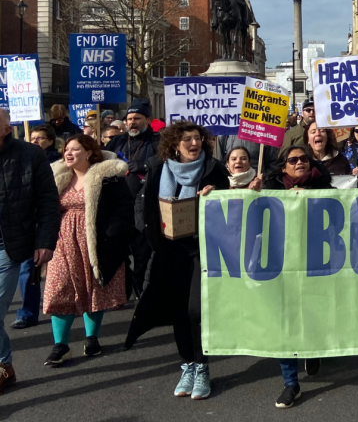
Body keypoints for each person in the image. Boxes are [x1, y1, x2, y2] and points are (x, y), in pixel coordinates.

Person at [124, 121, 230, 400]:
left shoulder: (214, 169)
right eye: (187, 140)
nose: (194, 144)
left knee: (196, 309)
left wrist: (213, 198)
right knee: (178, 311)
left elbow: (231, 206)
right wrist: (150, 231)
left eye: (197, 139)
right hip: (169, 251)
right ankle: (189, 365)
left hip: (202, 251)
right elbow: (142, 203)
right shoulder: (159, 169)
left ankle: (203, 367)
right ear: (174, 145)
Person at [43, 134, 134, 366]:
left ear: (89, 153)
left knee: (93, 287)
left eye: (74, 149)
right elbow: (45, 209)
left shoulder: (108, 178)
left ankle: (92, 338)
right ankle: (60, 344)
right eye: (66, 150)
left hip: (96, 241)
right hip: (63, 242)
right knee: (59, 288)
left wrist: (112, 233)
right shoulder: (58, 177)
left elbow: (124, 205)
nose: (68, 153)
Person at [263, 144, 330, 408]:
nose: (300, 162)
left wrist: (312, 200)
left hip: (317, 263)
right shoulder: (270, 189)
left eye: (304, 159)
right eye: (293, 160)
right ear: (283, 167)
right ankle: (291, 383)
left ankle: (312, 348)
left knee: (314, 313)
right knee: (285, 322)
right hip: (282, 265)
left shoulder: (325, 187)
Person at [0, 108, 60, 393]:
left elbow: (48, 201)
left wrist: (46, 241)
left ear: (5, 128)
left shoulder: (30, 155)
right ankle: (5, 366)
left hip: (10, 244)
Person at [104, 99, 162, 298]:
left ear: (148, 119)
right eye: (129, 119)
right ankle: (123, 292)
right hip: (118, 210)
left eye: (137, 118)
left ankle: (142, 296)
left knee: (142, 256)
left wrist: (146, 166)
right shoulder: (118, 142)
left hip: (145, 208)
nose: (132, 122)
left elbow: (167, 162)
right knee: (118, 256)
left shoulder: (157, 141)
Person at [304, 122, 354, 187]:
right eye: (313, 132)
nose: (318, 134)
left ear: (327, 136)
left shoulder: (341, 161)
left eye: (322, 131)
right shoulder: (303, 163)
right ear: (308, 139)